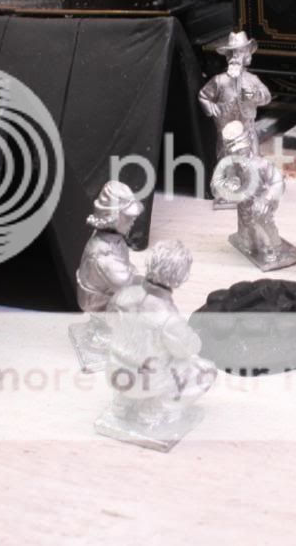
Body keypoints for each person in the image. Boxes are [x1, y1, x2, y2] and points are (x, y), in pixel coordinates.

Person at [104, 240, 216, 429]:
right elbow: (188, 349)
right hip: (145, 381)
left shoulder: (123, 296)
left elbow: (110, 321)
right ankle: (154, 410)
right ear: (181, 277)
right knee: (205, 369)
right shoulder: (168, 317)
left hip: (114, 371)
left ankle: (122, 403)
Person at [69, 181, 145, 372]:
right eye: (128, 217)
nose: (133, 220)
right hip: (100, 302)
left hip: (107, 292)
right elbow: (126, 282)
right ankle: (109, 334)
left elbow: (126, 270)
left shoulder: (112, 240)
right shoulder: (103, 253)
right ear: (113, 218)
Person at [211, 121, 296, 271]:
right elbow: (215, 187)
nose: (239, 155)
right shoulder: (229, 166)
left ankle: (273, 248)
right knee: (248, 238)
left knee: (265, 228)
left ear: (248, 146)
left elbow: (278, 182)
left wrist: (266, 198)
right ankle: (248, 241)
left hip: (261, 205)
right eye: (235, 152)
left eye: (242, 151)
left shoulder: (261, 164)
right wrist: (227, 186)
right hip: (244, 207)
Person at [199, 32, 272, 162]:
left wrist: (250, 95)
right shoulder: (219, 81)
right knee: (226, 163)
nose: (235, 56)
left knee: (252, 162)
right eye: (231, 53)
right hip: (226, 133)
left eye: (240, 52)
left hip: (248, 132)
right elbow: (203, 96)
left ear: (246, 55)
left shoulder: (252, 80)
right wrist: (213, 109)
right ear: (227, 57)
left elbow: (266, 97)